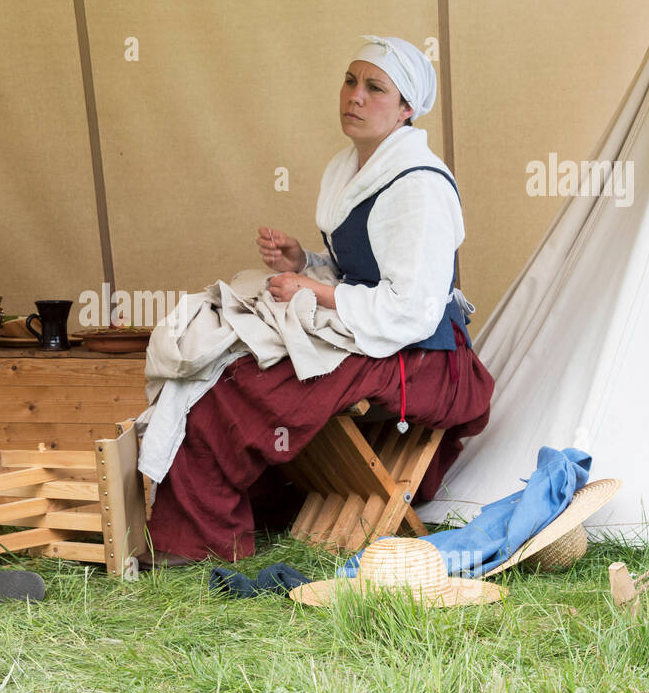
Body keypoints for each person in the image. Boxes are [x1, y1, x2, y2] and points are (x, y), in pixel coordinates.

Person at [144, 35, 495, 567]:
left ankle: (200, 542)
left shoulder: (417, 189)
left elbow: (412, 308)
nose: (354, 96)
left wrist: (316, 292)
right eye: (350, 81)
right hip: (374, 336)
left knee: (243, 388)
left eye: (374, 88)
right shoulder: (346, 168)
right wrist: (302, 263)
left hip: (421, 359)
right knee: (221, 362)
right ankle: (232, 517)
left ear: (406, 110)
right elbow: (361, 273)